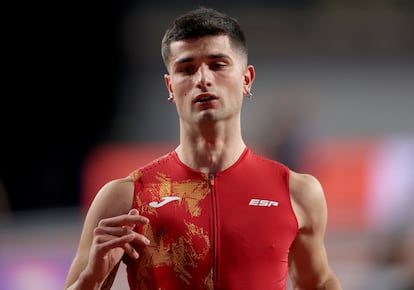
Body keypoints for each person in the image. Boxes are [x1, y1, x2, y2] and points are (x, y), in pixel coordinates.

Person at [64, 6, 342, 290]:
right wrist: (91, 279)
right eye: (187, 69)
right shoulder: (125, 198)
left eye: (218, 64)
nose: (203, 79)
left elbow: (317, 281)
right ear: (170, 86)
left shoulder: (296, 192)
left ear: (246, 79)